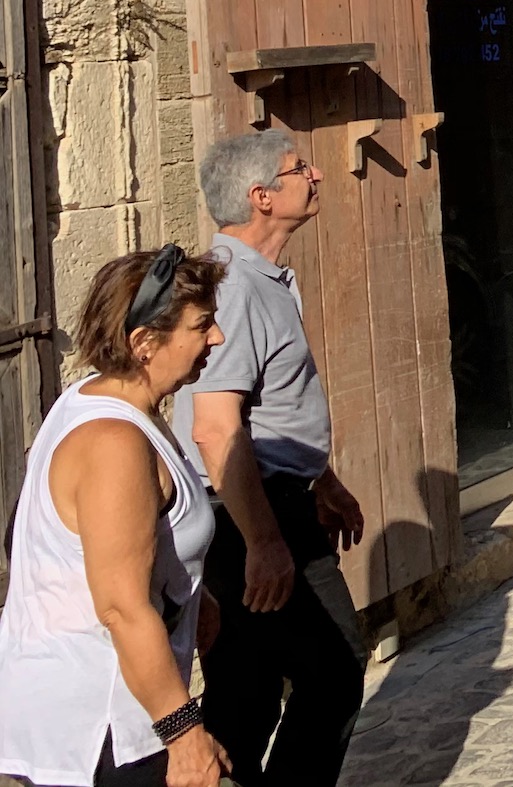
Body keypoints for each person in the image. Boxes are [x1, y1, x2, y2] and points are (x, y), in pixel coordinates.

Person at [173, 130, 366, 787]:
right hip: (248, 516)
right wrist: (263, 541)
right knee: (334, 671)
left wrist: (322, 480)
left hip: (273, 502)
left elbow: (269, 408)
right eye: (299, 168)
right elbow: (215, 426)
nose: (316, 175)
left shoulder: (262, 278)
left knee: (245, 692)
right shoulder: (231, 289)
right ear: (261, 196)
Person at [0, 245, 233, 787]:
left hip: (110, 713)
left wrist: (193, 596)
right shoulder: (114, 442)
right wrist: (185, 736)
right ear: (144, 343)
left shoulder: (98, 401)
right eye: (202, 325)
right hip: (99, 727)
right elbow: (121, 607)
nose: (217, 338)